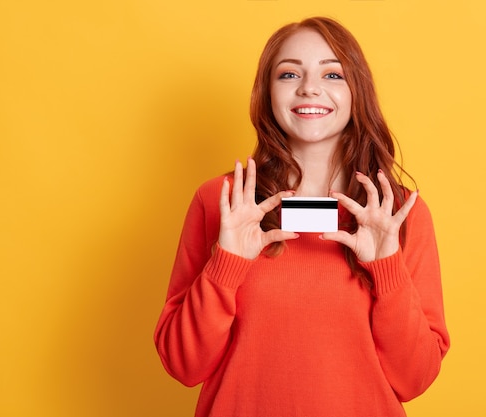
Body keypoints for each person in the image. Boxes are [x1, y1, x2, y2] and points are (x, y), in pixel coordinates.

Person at [154, 16, 450, 417]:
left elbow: (414, 379)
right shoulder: (222, 202)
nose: (310, 87)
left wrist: (387, 269)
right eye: (289, 73)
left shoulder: (396, 214)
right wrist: (226, 264)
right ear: (267, 93)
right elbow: (183, 365)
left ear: (356, 92)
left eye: (333, 74)